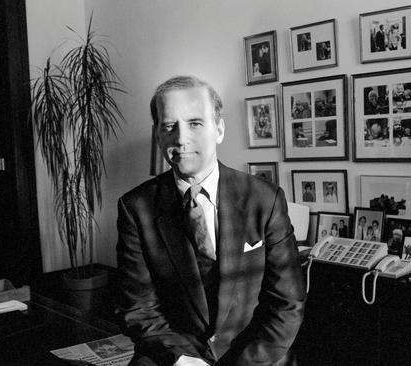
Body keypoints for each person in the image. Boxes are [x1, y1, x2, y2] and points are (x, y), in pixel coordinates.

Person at [115, 75, 306, 366]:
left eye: (194, 123)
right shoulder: (135, 208)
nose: (181, 138)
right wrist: (181, 359)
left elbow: (287, 303)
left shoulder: (265, 199)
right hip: (174, 355)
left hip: (256, 356)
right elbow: (139, 309)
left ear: (218, 128)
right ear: (158, 135)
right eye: (169, 126)